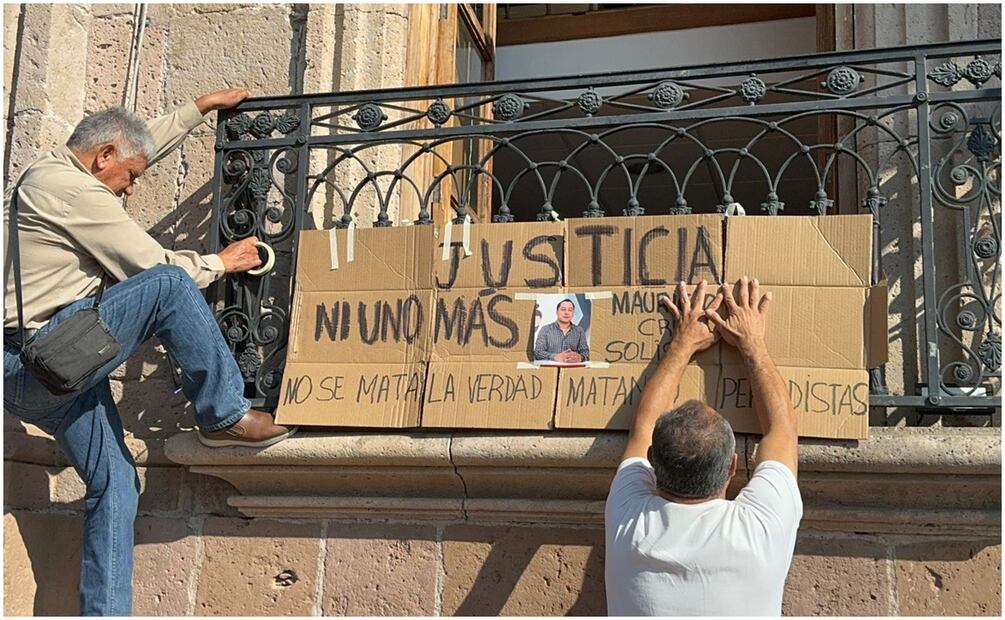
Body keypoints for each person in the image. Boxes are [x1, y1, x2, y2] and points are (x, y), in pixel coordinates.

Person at [3, 90, 296, 615]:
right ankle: (223, 414)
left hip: (40, 374)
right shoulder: (77, 195)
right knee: (167, 284)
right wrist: (222, 264)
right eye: (131, 178)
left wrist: (198, 109)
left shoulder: (54, 169)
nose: (132, 190)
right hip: (42, 358)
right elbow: (153, 265)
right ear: (103, 158)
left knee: (116, 484)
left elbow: (137, 148)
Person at [605, 277, 801, 616]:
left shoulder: (629, 520)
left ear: (653, 460)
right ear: (732, 468)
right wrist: (752, 344)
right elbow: (781, 432)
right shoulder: (758, 531)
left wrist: (682, 345)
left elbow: (644, 427)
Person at [533, 298, 590, 363]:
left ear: (573, 313)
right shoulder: (545, 329)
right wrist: (555, 357)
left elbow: (586, 353)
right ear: (557, 312)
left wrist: (580, 357)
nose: (566, 312)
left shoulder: (579, 331)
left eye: (570, 310)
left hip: (573, 369)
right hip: (551, 370)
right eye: (563, 309)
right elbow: (538, 352)